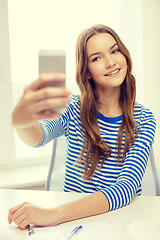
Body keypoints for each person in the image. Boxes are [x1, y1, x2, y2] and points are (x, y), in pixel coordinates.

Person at [8, 24, 156, 229]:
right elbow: (39, 136)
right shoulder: (72, 108)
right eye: (97, 58)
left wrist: (53, 214)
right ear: (86, 71)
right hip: (72, 223)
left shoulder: (144, 119)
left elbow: (126, 188)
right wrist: (23, 122)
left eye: (114, 51)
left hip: (119, 222)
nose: (111, 62)